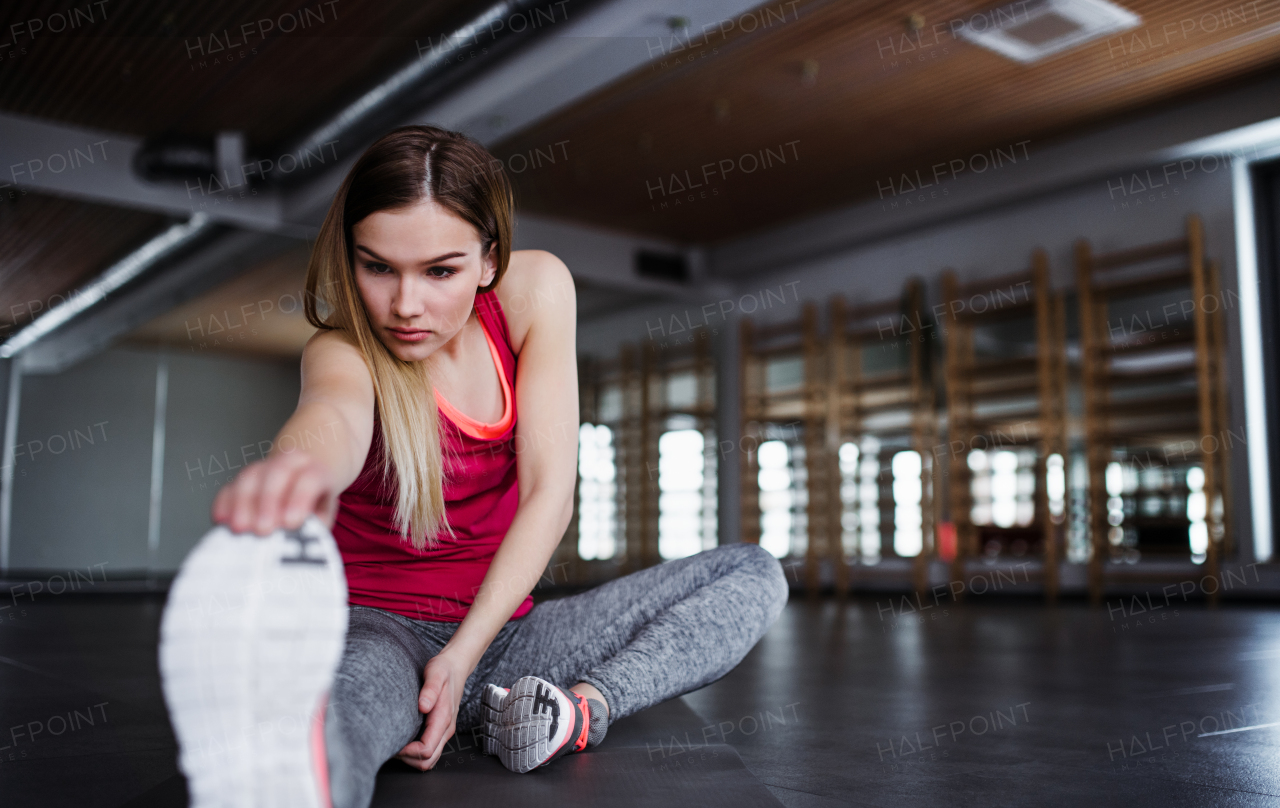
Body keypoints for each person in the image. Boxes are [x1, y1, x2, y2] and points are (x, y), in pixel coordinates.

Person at [158, 125, 789, 808]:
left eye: (439, 271)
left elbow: (551, 492)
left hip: (508, 635)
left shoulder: (537, 290)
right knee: (333, 732)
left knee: (750, 573)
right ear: (351, 258)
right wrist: (295, 473)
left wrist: (463, 656)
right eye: (378, 267)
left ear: (489, 260)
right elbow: (331, 420)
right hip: (379, 632)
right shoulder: (341, 351)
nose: (405, 305)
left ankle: (575, 712)